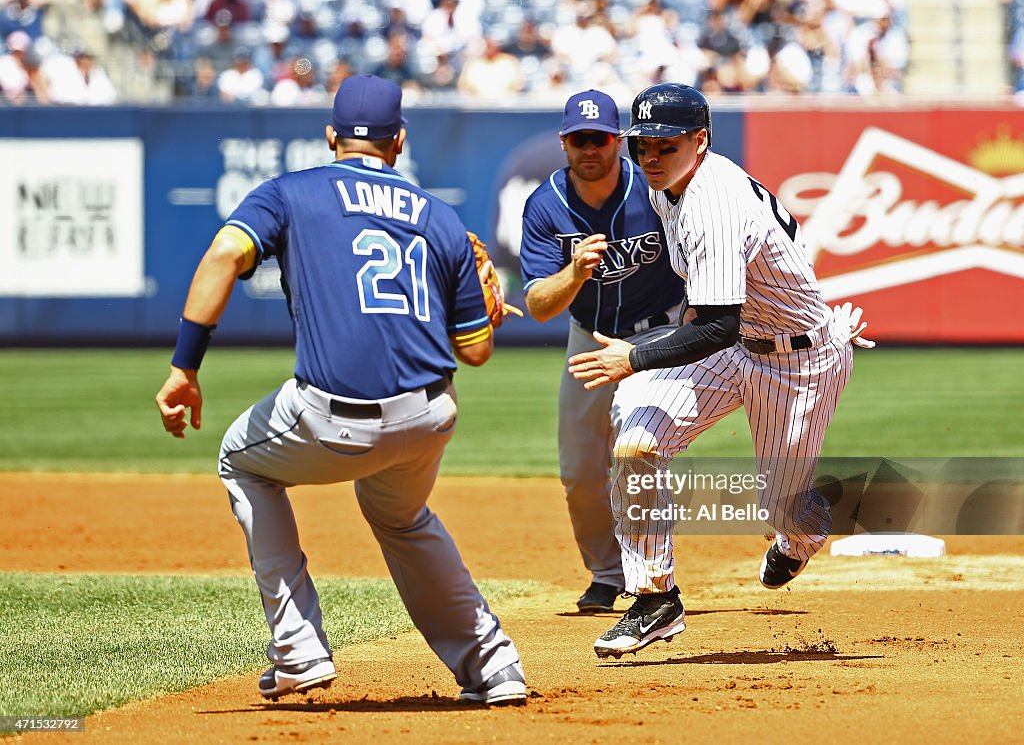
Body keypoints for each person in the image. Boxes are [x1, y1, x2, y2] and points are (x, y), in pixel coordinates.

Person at [154, 74, 527, 706]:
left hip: (332, 417)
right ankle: (494, 666)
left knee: (240, 461)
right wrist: (479, 307)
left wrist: (185, 368)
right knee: (402, 515)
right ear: (399, 142)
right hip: (429, 417)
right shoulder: (438, 217)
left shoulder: (291, 193)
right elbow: (476, 353)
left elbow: (223, 256)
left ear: (331, 137)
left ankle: (299, 650)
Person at [567, 83, 873, 658]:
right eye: (642, 147)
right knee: (635, 442)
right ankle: (654, 599)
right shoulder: (671, 187)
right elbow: (718, 309)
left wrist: (632, 356)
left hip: (797, 362)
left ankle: (802, 534)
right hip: (742, 345)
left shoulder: (713, 199)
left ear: (700, 140)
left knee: (787, 509)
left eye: (666, 145)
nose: (651, 158)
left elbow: (716, 327)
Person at [519, 89, 686, 614]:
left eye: (602, 138)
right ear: (564, 143)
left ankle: (651, 578)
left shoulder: (654, 189)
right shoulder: (546, 205)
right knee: (578, 469)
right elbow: (540, 305)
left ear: (620, 141)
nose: (590, 148)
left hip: (658, 334)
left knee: (635, 452)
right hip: (588, 336)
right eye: (579, 139)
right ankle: (606, 574)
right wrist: (574, 271)